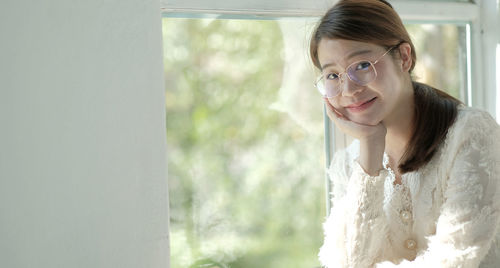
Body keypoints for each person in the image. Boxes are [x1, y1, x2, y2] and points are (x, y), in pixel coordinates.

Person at [309, 0, 500, 267]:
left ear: (404, 57)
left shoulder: (471, 132)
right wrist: (371, 147)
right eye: (332, 75)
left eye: (362, 65)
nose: (349, 89)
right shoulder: (348, 164)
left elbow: (455, 259)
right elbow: (348, 262)